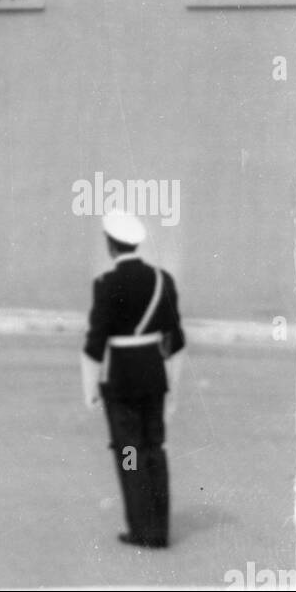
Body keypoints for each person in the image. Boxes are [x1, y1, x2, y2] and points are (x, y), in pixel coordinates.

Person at [81, 210, 185, 549]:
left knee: (129, 451)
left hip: (123, 379)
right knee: (154, 448)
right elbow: (175, 340)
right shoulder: (162, 280)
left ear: (112, 246)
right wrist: (172, 389)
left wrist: (90, 390)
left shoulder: (107, 285)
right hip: (155, 377)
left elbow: (95, 345)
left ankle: (142, 529)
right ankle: (160, 528)